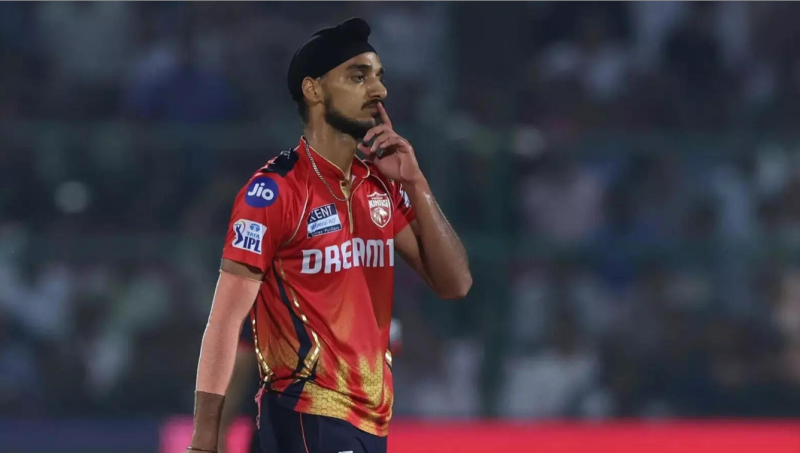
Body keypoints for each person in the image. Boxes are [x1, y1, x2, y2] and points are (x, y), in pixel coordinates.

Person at [184, 17, 472, 453]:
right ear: (313, 90)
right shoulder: (275, 191)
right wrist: (205, 440)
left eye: (379, 77)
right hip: (307, 415)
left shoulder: (380, 186)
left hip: (370, 423)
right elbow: (225, 320)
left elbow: (456, 284)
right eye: (358, 76)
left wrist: (417, 184)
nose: (379, 91)